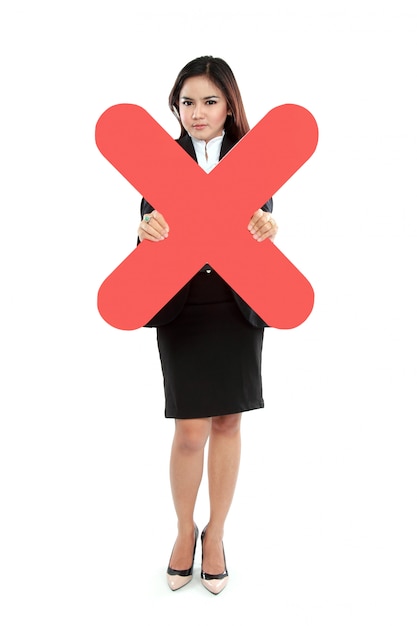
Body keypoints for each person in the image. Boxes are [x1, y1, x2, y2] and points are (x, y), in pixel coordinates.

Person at [137, 56, 278, 594]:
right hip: (183, 306)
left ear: (230, 106)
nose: (197, 113)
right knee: (189, 429)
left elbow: (259, 230)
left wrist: (266, 226)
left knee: (228, 423)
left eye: (209, 102)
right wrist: (146, 233)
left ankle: (215, 535)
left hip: (237, 304)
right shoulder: (159, 160)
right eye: (187, 102)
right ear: (177, 107)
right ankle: (182, 532)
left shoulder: (254, 158)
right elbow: (149, 240)